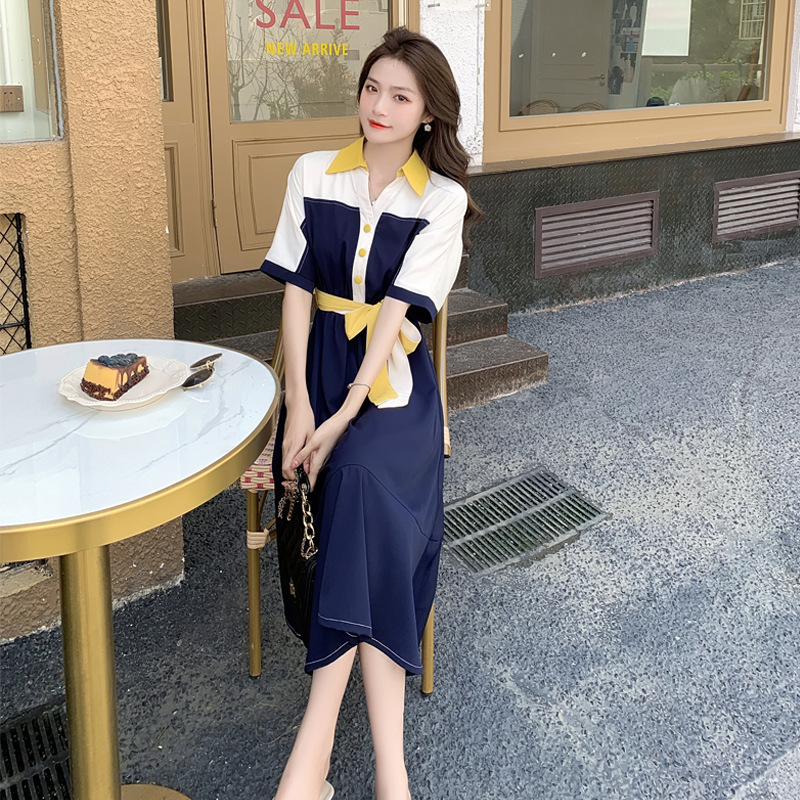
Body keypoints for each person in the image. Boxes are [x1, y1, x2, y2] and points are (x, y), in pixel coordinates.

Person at [260, 27, 481, 800]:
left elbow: (394, 315)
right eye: (371, 88)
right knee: (365, 513)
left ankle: (310, 764)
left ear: (429, 113)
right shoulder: (311, 173)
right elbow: (296, 290)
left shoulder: (442, 199)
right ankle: (393, 776)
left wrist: (343, 411)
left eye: (400, 96)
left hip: (391, 393)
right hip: (316, 376)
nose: (379, 106)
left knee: (357, 481)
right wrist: (299, 407)